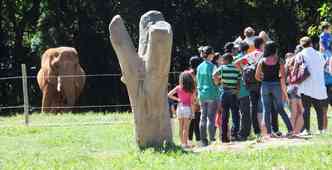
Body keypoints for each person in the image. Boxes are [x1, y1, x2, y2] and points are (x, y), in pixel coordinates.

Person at [255, 41, 293, 139]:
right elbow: (283, 76)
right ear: (274, 49)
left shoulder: (262, 61)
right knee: (280, 108)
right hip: (276, 85)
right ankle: (290, 130)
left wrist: (263, 80)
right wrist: (284, 91)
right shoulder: (279, 60)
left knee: (266, 110)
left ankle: (269, 133)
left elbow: (256, 76)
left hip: (265, 86)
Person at [234, 37, 265, 139]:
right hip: (261, 82)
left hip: (250, 84)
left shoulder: (250, 55)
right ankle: (265, 129)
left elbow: (236, 63)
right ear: (261, 45)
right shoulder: (263, 55)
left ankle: (257, 131)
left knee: (254, 107)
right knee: (264, 106)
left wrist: (243, 71)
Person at [298, 37, 328, 135]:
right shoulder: (320, 54)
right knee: (319, 108)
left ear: (302, 45)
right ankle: (321, 129)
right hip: (318, 85)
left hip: (305, 85)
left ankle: (306, 130)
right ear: (311, 44)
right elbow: (323, 66)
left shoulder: (300, 55)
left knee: (306, 108)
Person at [214, 53, 241, 142]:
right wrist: (236, 91)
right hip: (233, 93)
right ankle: (234, 135)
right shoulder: (237, 69)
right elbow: (238, 81)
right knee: (235, 115)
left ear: (225, 60)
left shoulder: (222, 68)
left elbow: (214, 75)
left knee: (224, 116)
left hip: (224, 93)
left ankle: (224, 137)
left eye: (223, 60)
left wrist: (218, 83)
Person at [196, 46, 219, 146]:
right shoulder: (213, 66)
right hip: (212, 93)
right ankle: (212, 138)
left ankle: (203, 140)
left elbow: (197, 81)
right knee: (211, 118)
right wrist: (219, 82)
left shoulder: (199, 67)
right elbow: (216, 80)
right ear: (210, 55)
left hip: (202, 94)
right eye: (213, 54)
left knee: (203, 117)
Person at [168, 71, 196, 148]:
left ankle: (182, 143)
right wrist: (193, 113)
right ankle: (185, 144)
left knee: (180, 127)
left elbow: (169, 95)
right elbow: (192, 102)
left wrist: (178, 99)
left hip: (179, 108)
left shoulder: (178, 87)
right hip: (187, 108)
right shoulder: (192, 89)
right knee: (186, 128)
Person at [233, 42, 251, 140]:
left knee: (236, 113)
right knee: (246, 113)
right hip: (246, 89)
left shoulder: (235, 58)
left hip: (235, 90)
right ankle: (244, 134)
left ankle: (234, 133)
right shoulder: (248, 57)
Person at [285, 52, 304, 136]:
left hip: (290, 88)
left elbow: (285, 79)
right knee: (301, 112)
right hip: (298, 89)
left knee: (293, 113)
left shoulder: (287, 63)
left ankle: (291, 131)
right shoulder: (299, 62)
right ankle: (296, 132)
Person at [319, 21, 332, 133]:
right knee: (324, 108)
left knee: (324, 108)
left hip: (325, 83)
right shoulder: (323, 36)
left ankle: (324, 128)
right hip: (326, 83)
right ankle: (323, 128)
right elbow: (323, 46)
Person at [188, 56, 203, 144]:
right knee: (197, 120)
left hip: (189, 99)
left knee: (191, 120)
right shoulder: (199, 73)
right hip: (197, 98)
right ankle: (198, 140)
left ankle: (189, 140)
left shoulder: (188, 74)